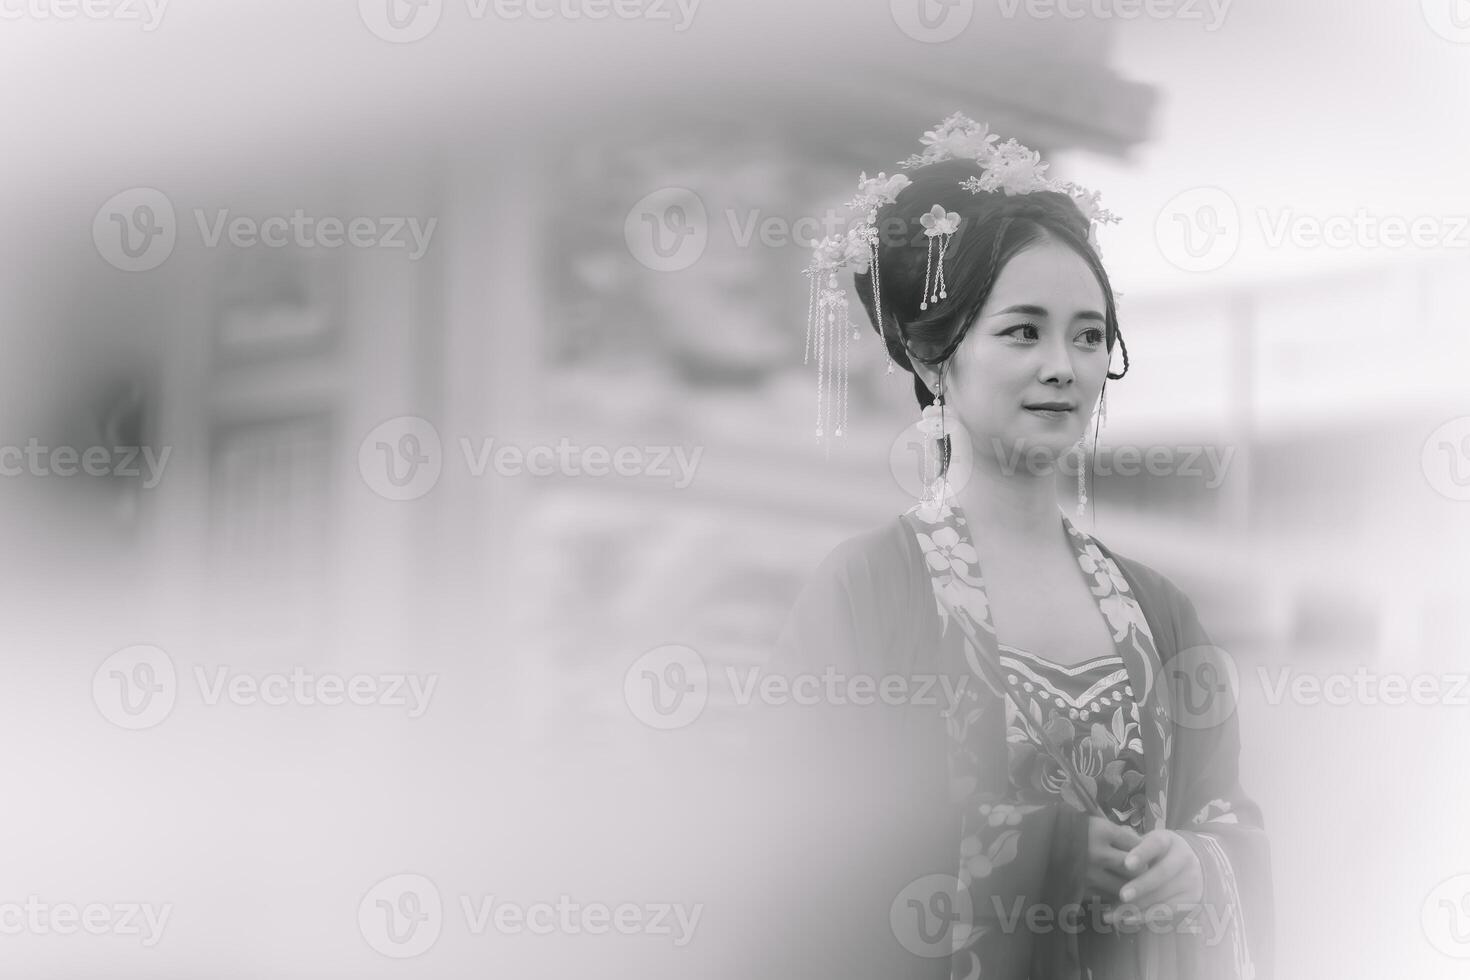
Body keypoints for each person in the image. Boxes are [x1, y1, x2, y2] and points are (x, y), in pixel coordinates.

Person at [768, 114, 1273, 980]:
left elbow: (1227, 816)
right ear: (934, 361)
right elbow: (807, 851)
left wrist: (1198, 864)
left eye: (1087, 336)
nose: (1063, 367)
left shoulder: (1162, 612)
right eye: (1022, 331)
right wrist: (1048, 854)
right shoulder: (867, 590)